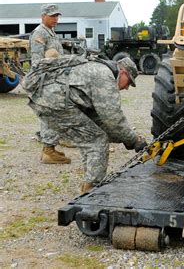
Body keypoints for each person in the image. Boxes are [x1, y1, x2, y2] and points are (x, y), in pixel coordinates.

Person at [23, 52, 147, 194]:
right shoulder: (104, 76)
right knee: (97, 140)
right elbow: (113, 118)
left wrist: (128, 139)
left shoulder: (98, 69)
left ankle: (89, 183)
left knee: (89, 136)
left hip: (49, 100)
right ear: (123, 72)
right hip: (56, 103)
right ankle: (91, 190)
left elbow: (99, 120)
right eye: (129, 82)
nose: (126, 88)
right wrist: (134, 140)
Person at [29, 3, 69, 164]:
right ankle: (47, 151)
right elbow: (37, 63)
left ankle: (51, 147)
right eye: (52, 16)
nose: (56, 19)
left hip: (55, 79)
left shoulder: (50, 32)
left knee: (56, 114)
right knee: (48, 115)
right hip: (45, 81)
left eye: (57, 16)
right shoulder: (39, 33)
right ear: (43, 16)